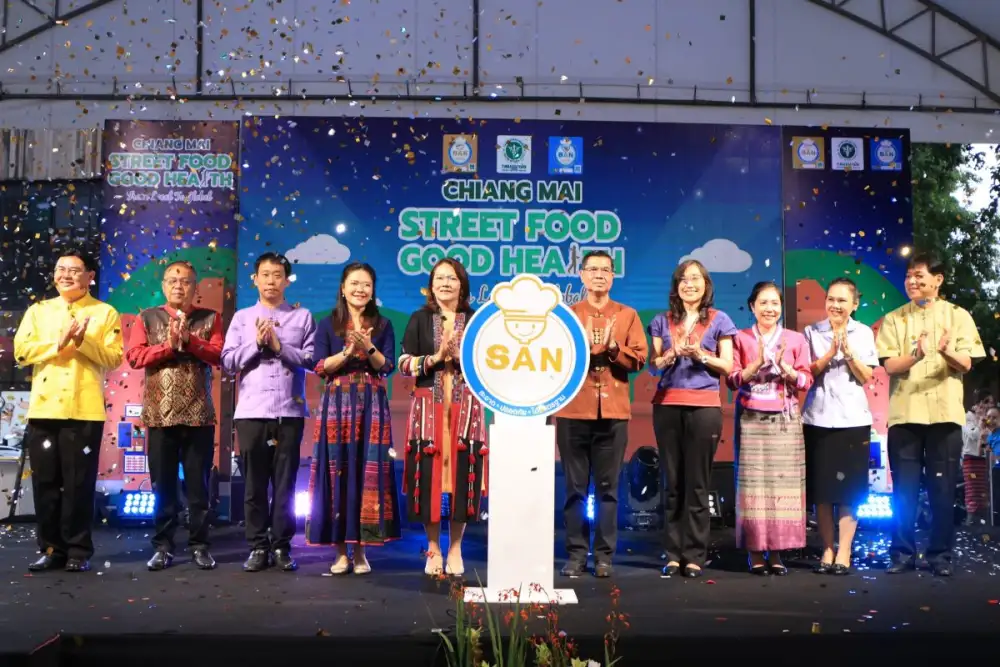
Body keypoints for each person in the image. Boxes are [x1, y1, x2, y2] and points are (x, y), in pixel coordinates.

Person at [13, 248, 123, 573]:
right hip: (44, 410)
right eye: (61, 269)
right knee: (46, 483)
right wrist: (57, 344)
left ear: (90, 276)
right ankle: (51, 549)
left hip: (84, 412)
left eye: (74, 270)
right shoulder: (38, 311)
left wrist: (82, 341)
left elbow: (114, 358)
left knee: (78, 484)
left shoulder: (105, 313)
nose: (66, 275)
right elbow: (21, 351)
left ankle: (78, 550)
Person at [877, 252, 985, 576]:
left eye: (919, 276)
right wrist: (916, 354)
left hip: (945, 417)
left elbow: (966, 363)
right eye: (909, 276)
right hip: (905, 415)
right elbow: (889, 365)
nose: (912, 281)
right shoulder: (894, 318)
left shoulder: (958, 316)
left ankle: (941, 556)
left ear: (938, 280)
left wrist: (945, 350)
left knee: (942, 491)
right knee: (904, 492)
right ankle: (902, 554)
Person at [125, 260, 223, 571]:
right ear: (163, 286)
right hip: (159, 416)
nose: (179, 286)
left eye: (185, 281)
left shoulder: (211, 318)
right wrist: (168, 346)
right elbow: (134, 357)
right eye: (172, 280)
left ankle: (199, 546)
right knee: (163, 487)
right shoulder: (147, 317)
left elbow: (219, 355)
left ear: (196, 287)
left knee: (198, 488)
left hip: (198, 415)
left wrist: (191, 341)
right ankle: (163, 547)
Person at [221, 252, 316, 572]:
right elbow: (228, 361)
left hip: (289, 413)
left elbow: (312, 360)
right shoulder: (242, 318)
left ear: (287, 280)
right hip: (251, 412)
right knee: (254, 485)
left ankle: (282, 546)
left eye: (278, 275)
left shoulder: (303, 317)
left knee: (286, 484)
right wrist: (257, 345)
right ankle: (258, 546)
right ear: (255, 280)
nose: (271, 281)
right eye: (265, 274)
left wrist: (278, 347)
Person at [557, 250, 648, 578]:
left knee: (608, 488)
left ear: (613, 276)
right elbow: (555, 357)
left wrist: (613, 349)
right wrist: (581, 350)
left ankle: (605, 556)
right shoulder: (566, 315)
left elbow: (639, 359)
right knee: (575, 488)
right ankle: (576, 555)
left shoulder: (628, 315)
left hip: (613, 412)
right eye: (592, 269)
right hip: (573, 411)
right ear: (581, 275)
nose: (599, 275)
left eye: (605, 270)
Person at [306, 262, 401, 574]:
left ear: (373, 291)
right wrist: (349, 350)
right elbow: (320, 366)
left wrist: (368, 346)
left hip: (372, 403)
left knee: (366, 472)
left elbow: (387, 366)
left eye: (366, 285)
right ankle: (339, 553)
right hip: (337, 403)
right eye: (355, 284)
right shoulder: (328, 324)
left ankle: (361, 552)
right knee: (337, 472)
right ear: (343, 289)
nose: (360, 289)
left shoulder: (383, 324)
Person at [647, 260, 737, 578]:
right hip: (667, 405)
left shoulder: (719, 319)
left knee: (697, 484)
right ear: (676, 286)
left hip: (704, 408)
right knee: (672, 483)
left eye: (696, 278)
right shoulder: (662, 321)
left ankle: (695, 554)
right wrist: (671, 354)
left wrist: (700, 355)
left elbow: (727, 366)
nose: (689, 284)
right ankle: (673, 554)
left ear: (706, 284)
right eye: (683, 279)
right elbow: (653, 365)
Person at [398, 258, 488, 577]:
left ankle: (456, 548)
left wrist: (463, 358)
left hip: (466, 408)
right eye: (439, 278)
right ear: (431, 285)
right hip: (428, 408)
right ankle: (433, 548)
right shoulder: (420, 318)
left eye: (452, 278)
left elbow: (489, 363)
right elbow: (404, 363)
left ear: (462, 285)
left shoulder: (476, 320)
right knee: (428, 476)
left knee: (464, 476)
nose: (445, 283)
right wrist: (436, 358)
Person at [727, 281, 812, 575]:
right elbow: (732, 379)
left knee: (782, 485)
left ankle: (776, 552)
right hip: (750, 418)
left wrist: (786, 369)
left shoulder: (795, 339)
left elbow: (806, 380)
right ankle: (755, 552)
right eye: (763, 303)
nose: (769, 308)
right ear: (752, 306)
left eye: (775, 303)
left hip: (785, 421)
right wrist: (757, 364)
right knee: (753, 486)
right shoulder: (740, 338)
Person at [801, 278, 878, 576]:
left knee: (849, 491)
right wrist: (829, 352)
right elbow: (807, 374)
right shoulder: (812, 332)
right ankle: (827, 548)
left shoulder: (863, 333)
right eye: (831, 299)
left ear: (854, 304)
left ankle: (844, 550)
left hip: (853, 420)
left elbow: (866, 376)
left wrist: (847, 353)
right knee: (822, 490)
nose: (835, 305)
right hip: (818, 418)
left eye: (842, 300)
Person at [962, 392, 995, 524]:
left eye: (992, 402)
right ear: (978, 403)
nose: (990, 405)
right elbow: (973, 435)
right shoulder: (967, 418)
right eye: (987, 402)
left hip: (986, 460)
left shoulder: (990, 419)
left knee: (985, 494)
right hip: (971, 461)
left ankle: (985, 524)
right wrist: (981, 421)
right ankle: (970, 524)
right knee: (973, 492)